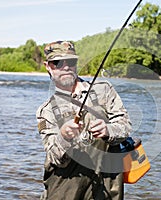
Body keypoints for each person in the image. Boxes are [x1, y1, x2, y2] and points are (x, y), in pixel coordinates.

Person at [36, 41, 132, 200]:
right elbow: (54, 157)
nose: (65, 67)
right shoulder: (45, 111)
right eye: (58, 62)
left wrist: (108, 131)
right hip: (65, 187)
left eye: (71, 62)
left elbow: (126, 127)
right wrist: (64, 137)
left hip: (107, 185)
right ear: (48, 66)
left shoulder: (104, 90)